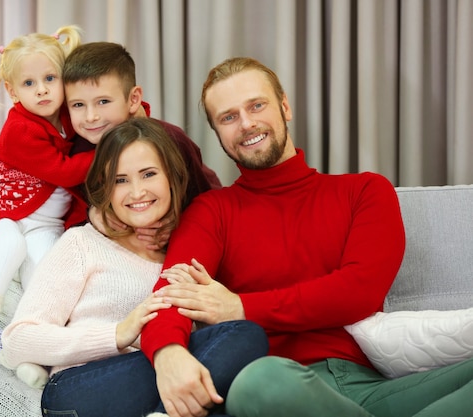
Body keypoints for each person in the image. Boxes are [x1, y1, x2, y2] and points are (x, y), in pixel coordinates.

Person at [139, 56, 473, 417]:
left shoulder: (364, 191)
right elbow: (170, 296)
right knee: (260, 382)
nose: (247, 123)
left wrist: (241, 307)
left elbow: (359, 292)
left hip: (372, 388)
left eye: (257, 105)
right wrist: (168, 353)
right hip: (276, 389)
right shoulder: (211, 211)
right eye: (228, 117)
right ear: (218, 133)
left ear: (284, 106)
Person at [0, 117, 268, 417]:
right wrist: (118, 334)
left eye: (148, 174)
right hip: (78, 390)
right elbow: (16, 342)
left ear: (172, 177)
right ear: (105, 187)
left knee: (222, 391)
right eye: (120, 180)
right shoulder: (82, 244)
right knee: (244, 336)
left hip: (149, 394)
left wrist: (206, 313)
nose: (137, 192)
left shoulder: (185, 252)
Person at [0, 26, 95, 369]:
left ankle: (33, 339)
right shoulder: (19, 129)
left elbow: (103, 109)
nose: (43, 90)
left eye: (50, 78)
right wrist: (109, 148)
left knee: (47, 270)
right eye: (29, 83)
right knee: (11, 248)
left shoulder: (68, 114)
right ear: (12, 90)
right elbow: (65, 172)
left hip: (43, 221)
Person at [62, 41, 222, 244]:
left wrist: (179, 221)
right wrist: (93, 214)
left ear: (133, 99)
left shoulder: (171, 140)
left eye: (103, 101)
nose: (91, 117)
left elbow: (206, 201)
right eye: (78, 105)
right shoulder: (77, 150)